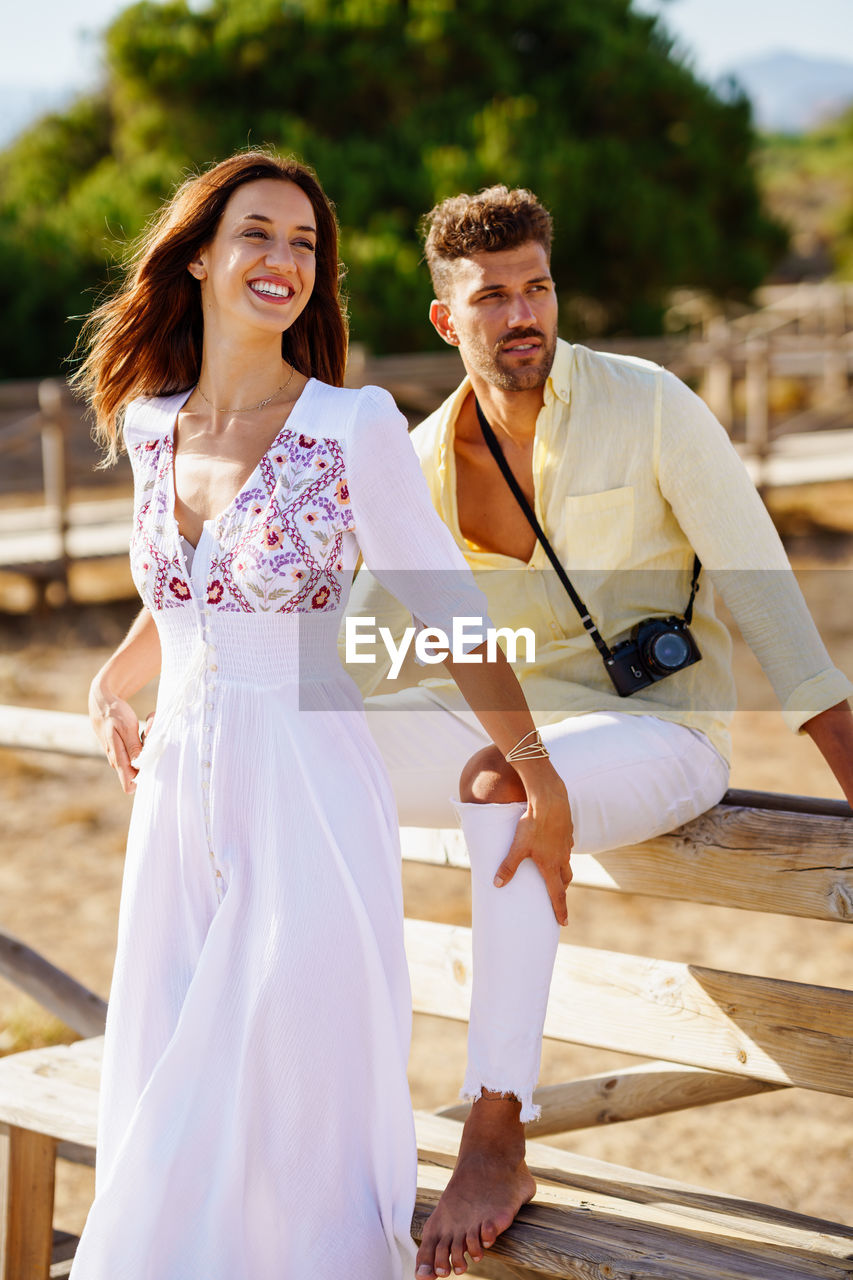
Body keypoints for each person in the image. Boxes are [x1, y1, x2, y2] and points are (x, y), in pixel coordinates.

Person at [73, 153, 573, 1280]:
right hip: (176, 801)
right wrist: (114, 680)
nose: (285, 261)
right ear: (199, 255)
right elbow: (185, 598)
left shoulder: (351, 425)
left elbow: (447, 610)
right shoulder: (152, 424)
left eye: (305, 244)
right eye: (259, 234)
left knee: (297, 1079)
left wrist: (536, 771)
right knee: (169, 1081)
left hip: (305, 779)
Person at [341, 184, 853, 1280]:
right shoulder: (422, 461)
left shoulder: (650, 403)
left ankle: (495, 1125)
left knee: (500, 778)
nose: (521, 313)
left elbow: (769, 603)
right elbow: (360, 647)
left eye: (536, 288)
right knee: (312, 741)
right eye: (491, 297)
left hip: (657, 734)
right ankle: (307, 1080)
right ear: (447, 320)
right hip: (518, 730)